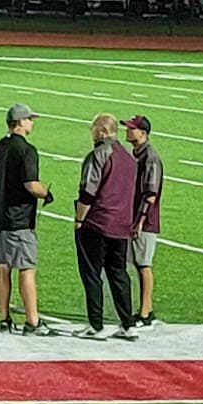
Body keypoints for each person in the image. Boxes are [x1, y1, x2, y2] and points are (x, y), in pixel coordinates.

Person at [0, 103, 54, 334]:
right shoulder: (26, 150)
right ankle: (32, 321)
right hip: (19, 219)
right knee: (26, 268)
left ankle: (4, 318)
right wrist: (46, 193)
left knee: (2, 267)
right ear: (21, 122)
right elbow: (31, 185)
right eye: (29, 119)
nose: (32, 123)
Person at [73, 113, 140, 339]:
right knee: (119, 273)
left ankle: (96, 325)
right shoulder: (129, 158)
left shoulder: (99, 154)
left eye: (93, 128)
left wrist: (79, 219)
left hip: (98, 222)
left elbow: (88, 191)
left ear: (102, 131)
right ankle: (128, 324)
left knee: (92, 274)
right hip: (122, 225)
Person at [125, 114, 164, 327]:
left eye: (131, 128)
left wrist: (140, 220)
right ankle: (143, 310)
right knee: (138, 263)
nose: (127, 131)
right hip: (134, 217)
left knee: (143, 264)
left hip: (144, 221)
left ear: (143, 132)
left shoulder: (150, 158)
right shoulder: (137, 155)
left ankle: (146, 312)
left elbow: (151, 193)